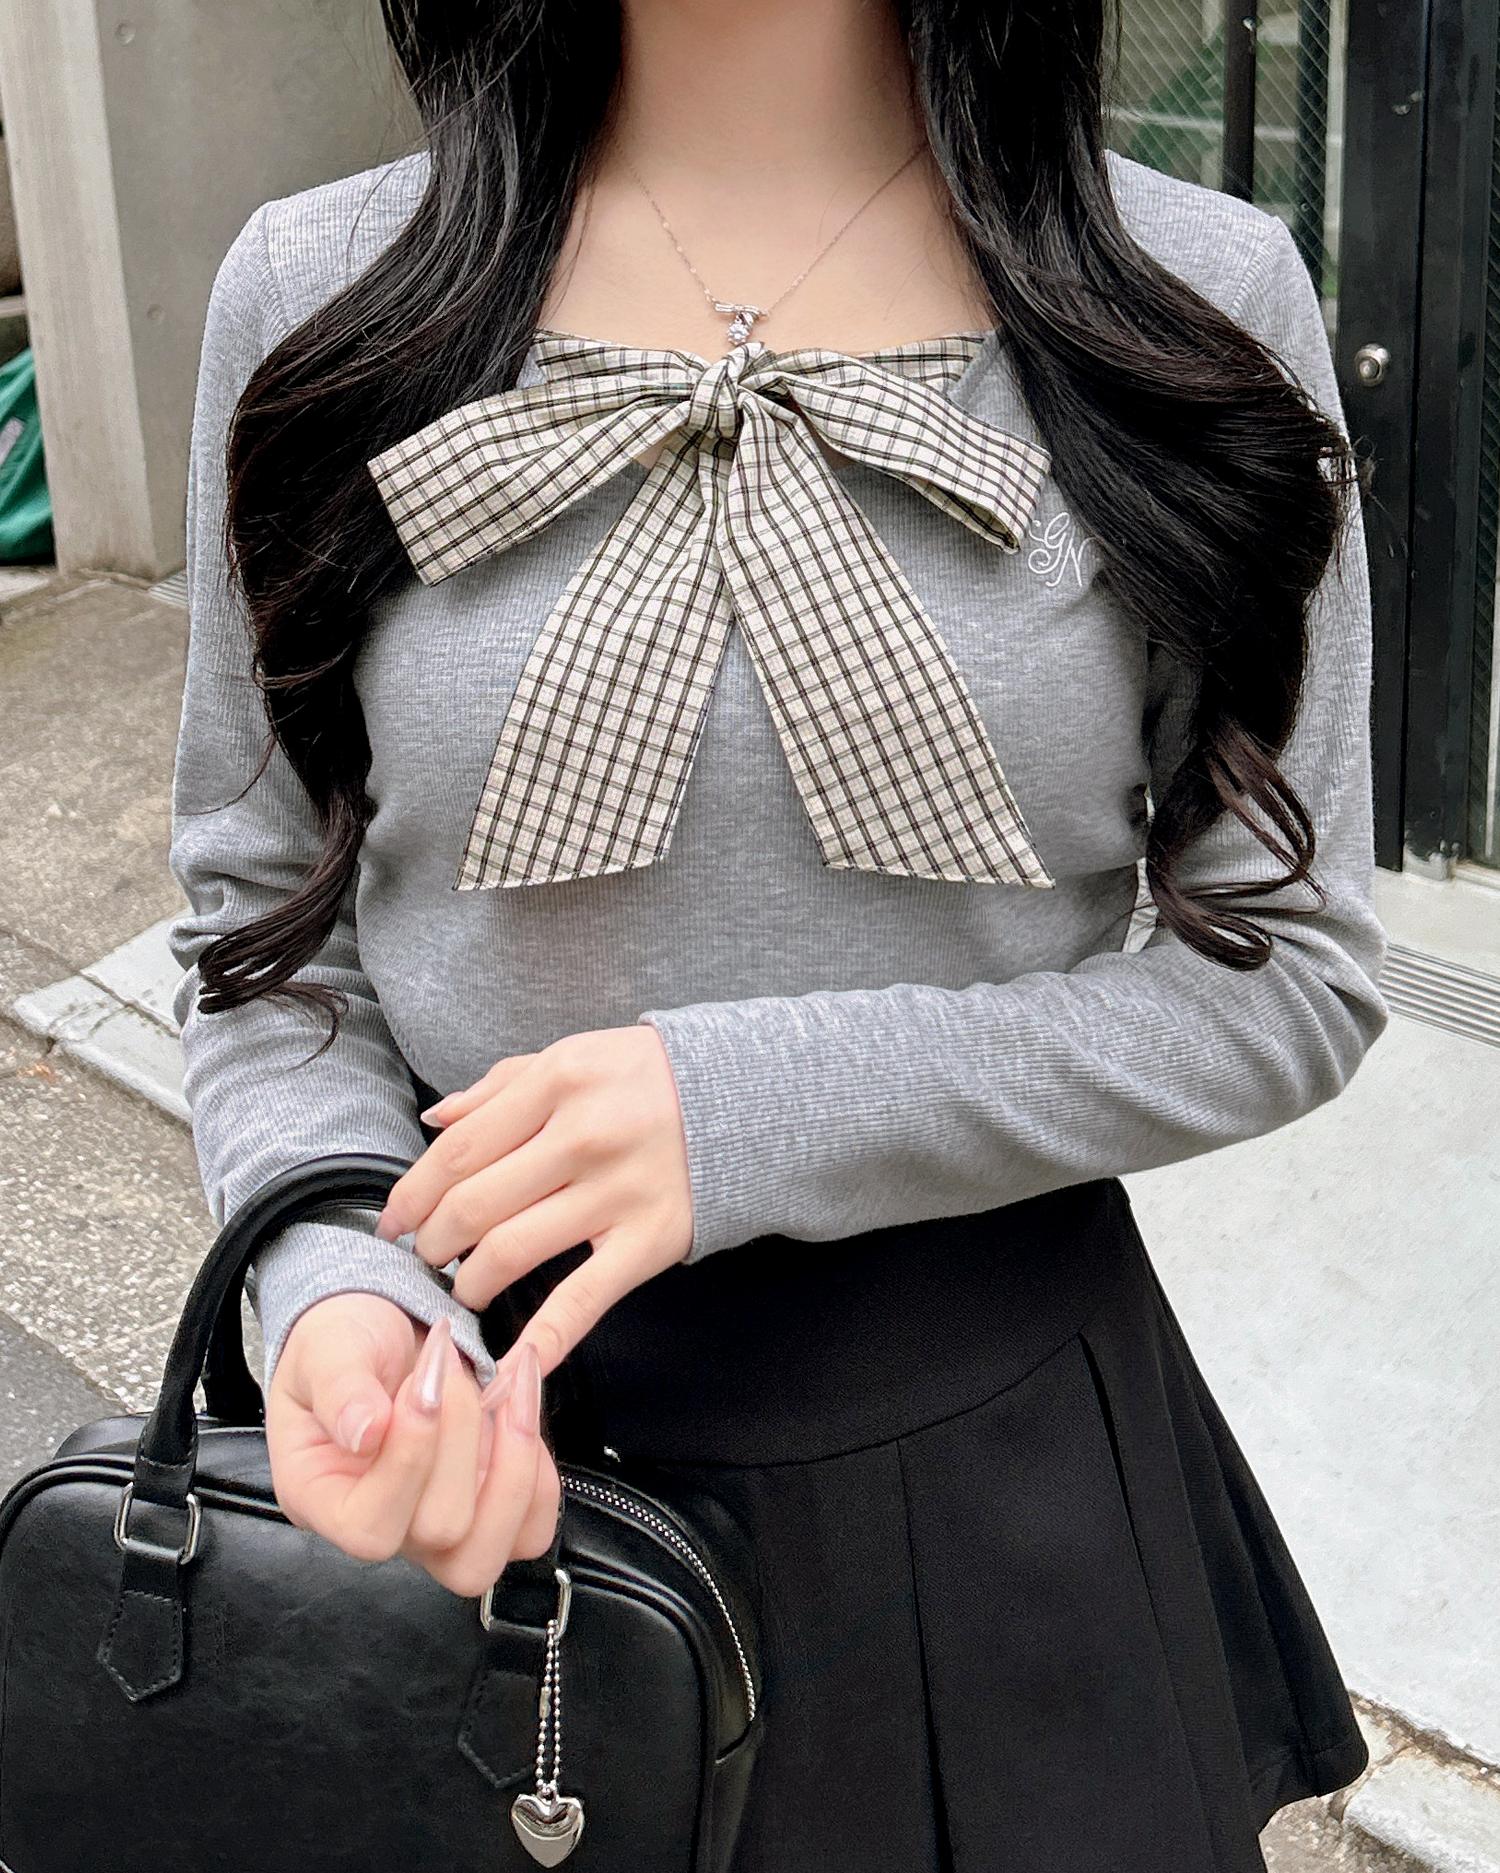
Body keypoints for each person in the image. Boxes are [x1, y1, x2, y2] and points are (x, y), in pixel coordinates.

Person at [167, 1, 1389, 1866]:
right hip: (468, 1471)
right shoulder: (322, 295)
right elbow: (263, 929)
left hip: (992, 1493)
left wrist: (754, 1104)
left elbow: (1289, 970)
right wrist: (333, 1284)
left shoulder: (1194, 303)